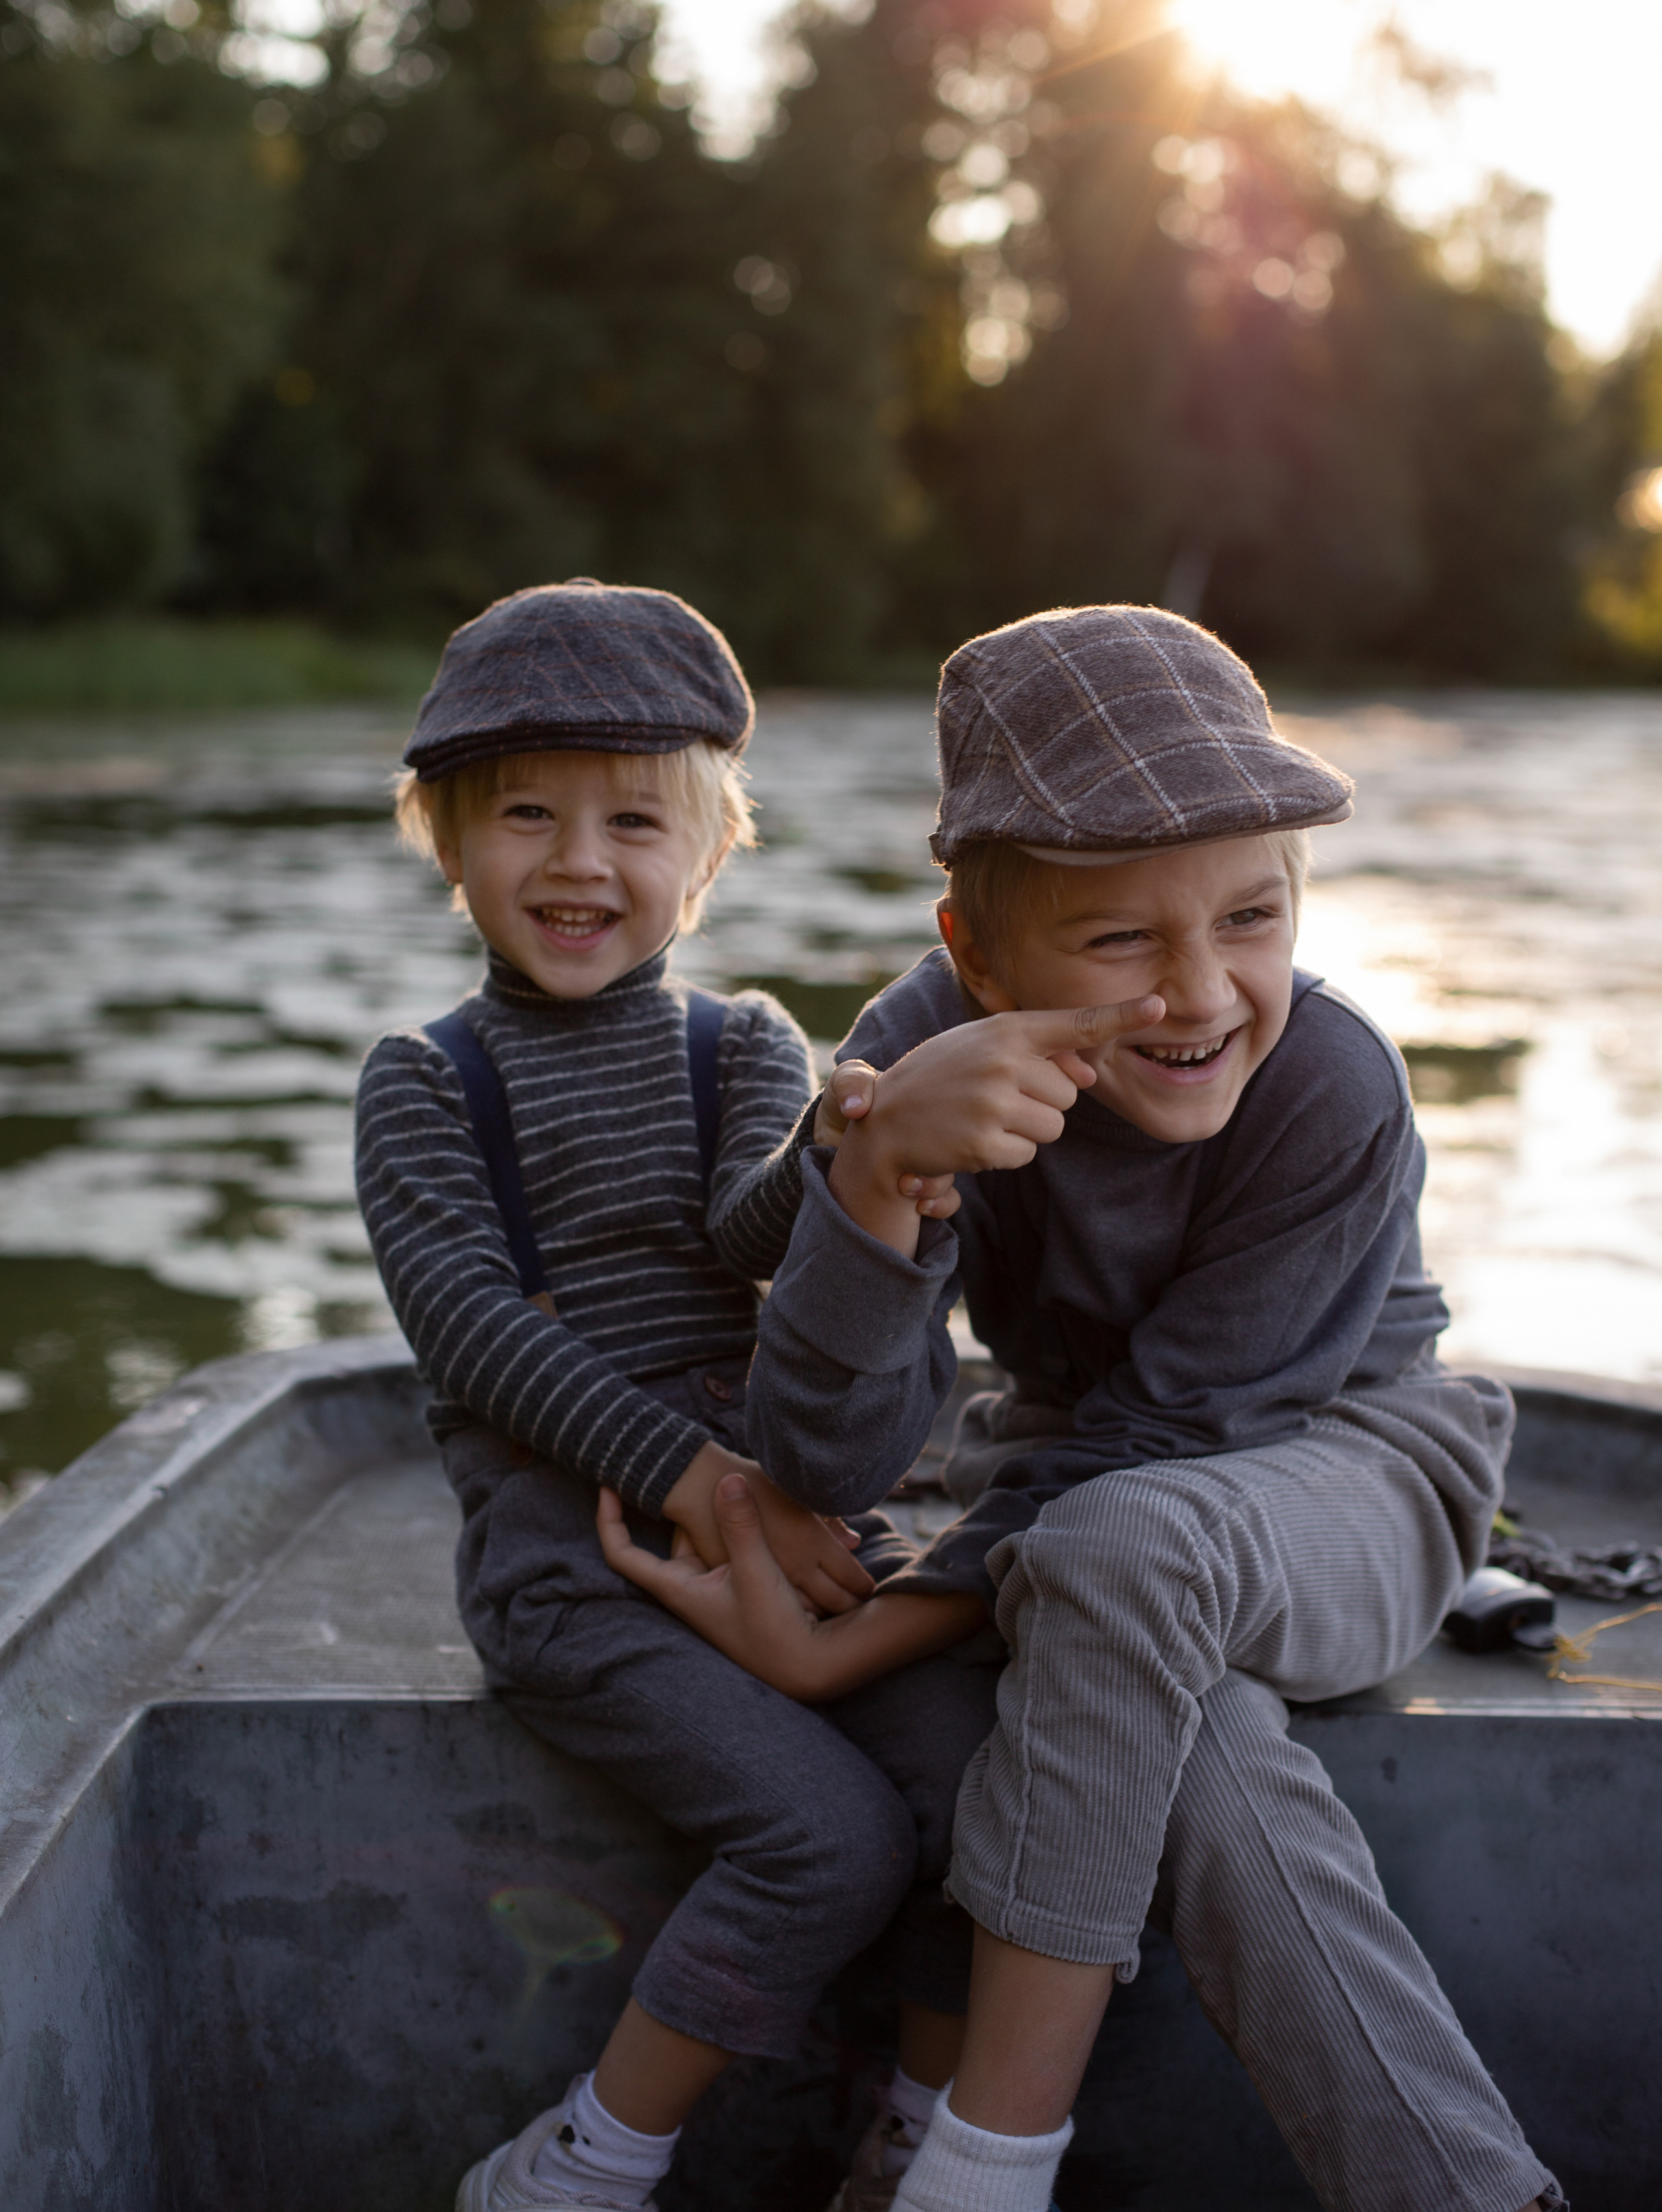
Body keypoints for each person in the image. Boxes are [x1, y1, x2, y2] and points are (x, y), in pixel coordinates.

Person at [599, 604, 1566, 2212]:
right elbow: (832, 1457)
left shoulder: (1331, 1085)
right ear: (975, 956)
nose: (1198, 993)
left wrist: (856, 1644)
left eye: (1250, 917)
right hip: (1084, 1495)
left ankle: (978, 2167)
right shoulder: (917, 1052)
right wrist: (882, 1174)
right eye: (1118, 939)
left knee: (1121, 1557)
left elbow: (1166, 1451)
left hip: (1358, 1470)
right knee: (1186, 1752)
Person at [354, 577, 990, 2212]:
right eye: (525, 818)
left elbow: (745, 1233)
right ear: (448, 843)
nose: (579, 862)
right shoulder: (427, 1081)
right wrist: (701, 1484)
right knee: (830, 1838)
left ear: (707, 856)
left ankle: (921, 2140)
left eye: (635, 821)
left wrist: (851, 1156)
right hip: (580, 1564)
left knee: (977, 1788)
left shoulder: (748, 1044)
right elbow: (476, 1331)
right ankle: (583, 2161)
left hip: (778, 1514)